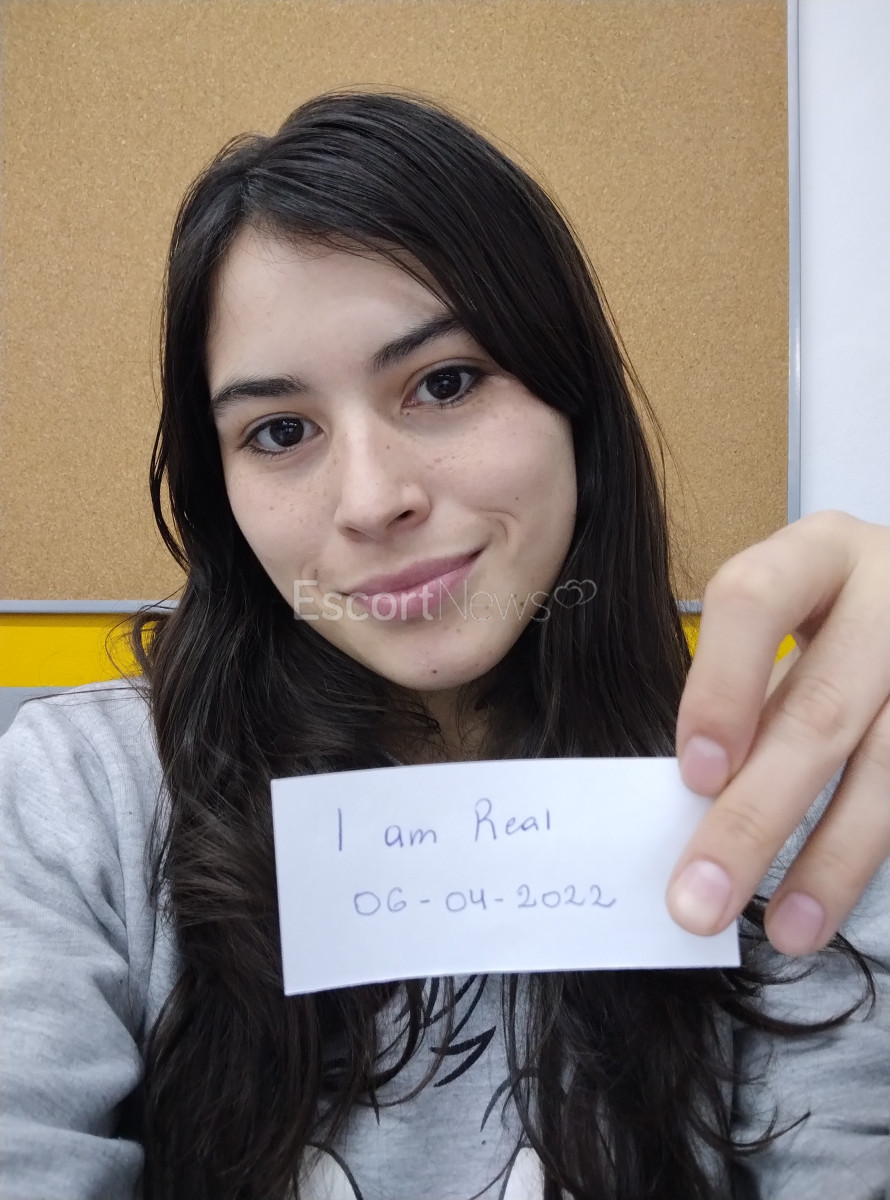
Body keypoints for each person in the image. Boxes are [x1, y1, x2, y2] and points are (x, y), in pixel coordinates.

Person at [1, 91, 887, 1200]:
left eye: (445, 383)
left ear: (574, 403)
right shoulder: (87, 793)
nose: (373, 499)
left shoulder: (779, 783)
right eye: (280, 431)